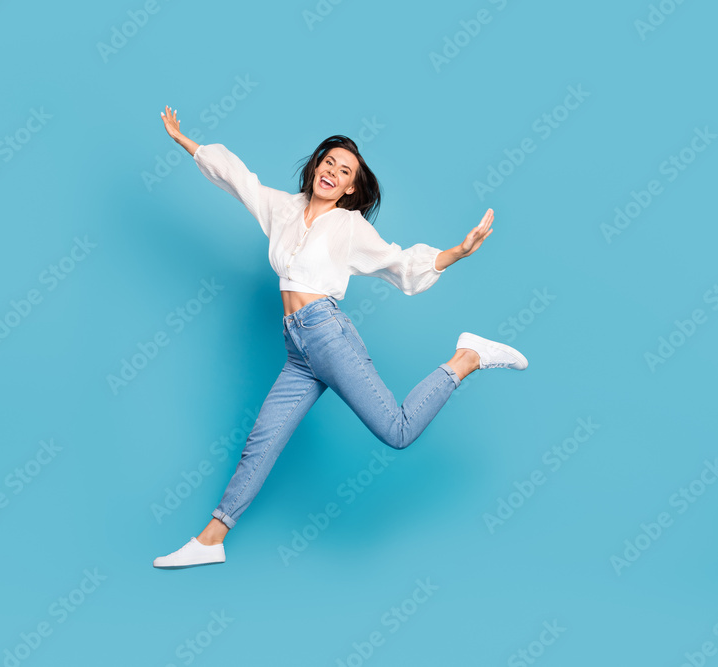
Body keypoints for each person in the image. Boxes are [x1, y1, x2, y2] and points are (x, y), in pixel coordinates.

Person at [153, 106, 528, 569]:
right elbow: (238, 179)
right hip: (297, 347)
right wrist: (184, 140)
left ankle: (468, 357)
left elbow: (399, 264)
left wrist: (458, 252)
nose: (333, 171)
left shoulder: (347, 226)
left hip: (327, 334)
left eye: (344, 170)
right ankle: (211, 539)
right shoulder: (283, 210)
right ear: (315, 168)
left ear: (351, 187)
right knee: (263, 440)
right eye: (328, 163)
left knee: (397, 430)